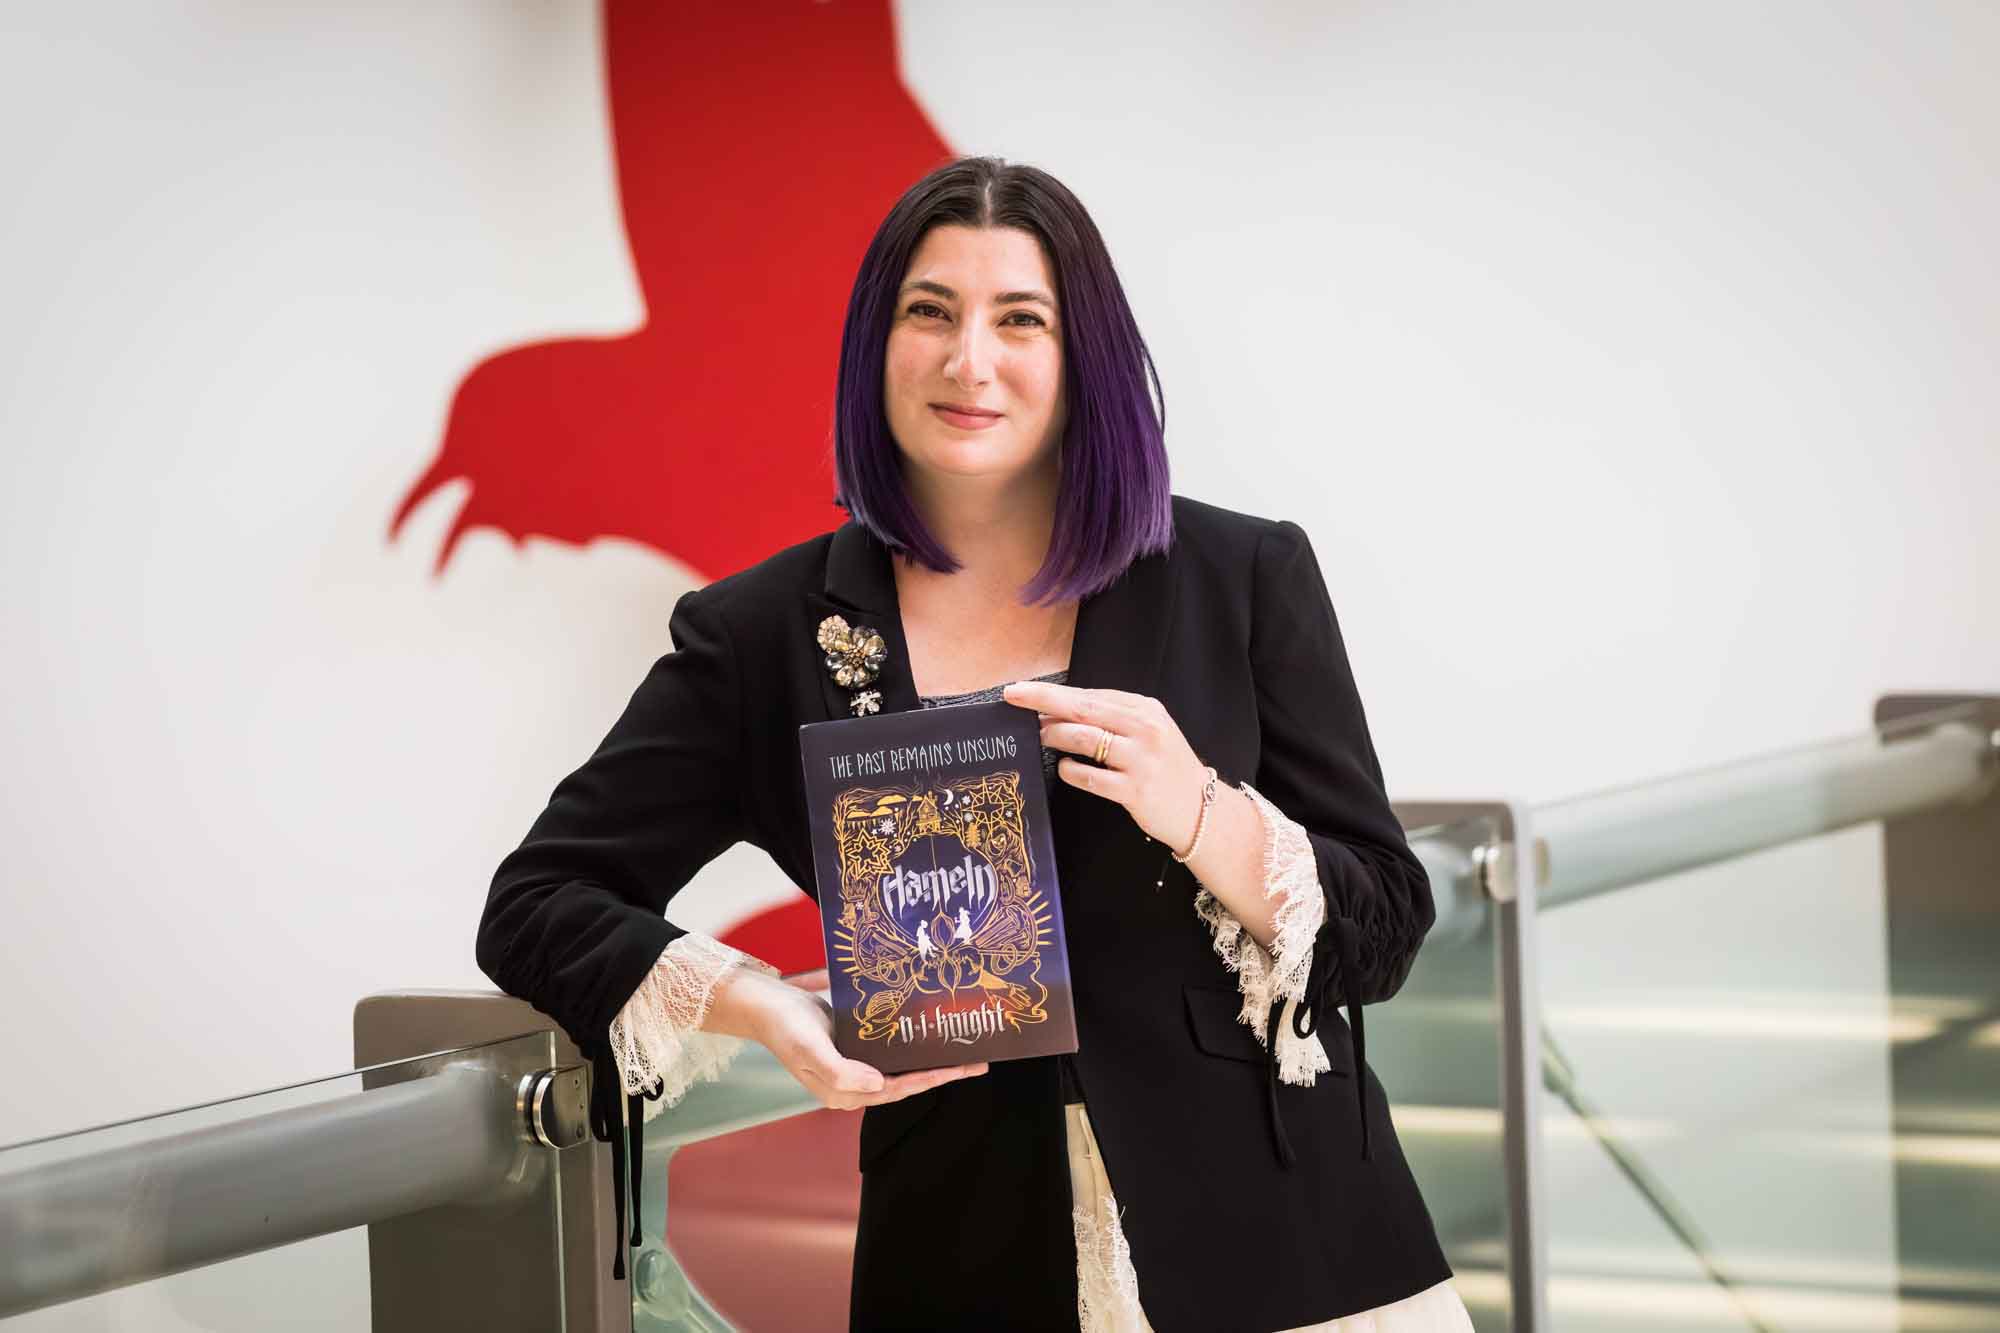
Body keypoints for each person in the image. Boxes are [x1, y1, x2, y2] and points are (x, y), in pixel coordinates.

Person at [477, 156, 1471, 1333]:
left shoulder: (1238, 577)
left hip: (1293, 1254)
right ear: (873, 345)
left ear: (1079, 355)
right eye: (929, 314)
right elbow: (537, 900)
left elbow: (1383, 926)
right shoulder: (761, 635)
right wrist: (764, 1009)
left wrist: (1199, 808)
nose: (969, 361)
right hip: (960, 1258)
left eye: (1020, 320)